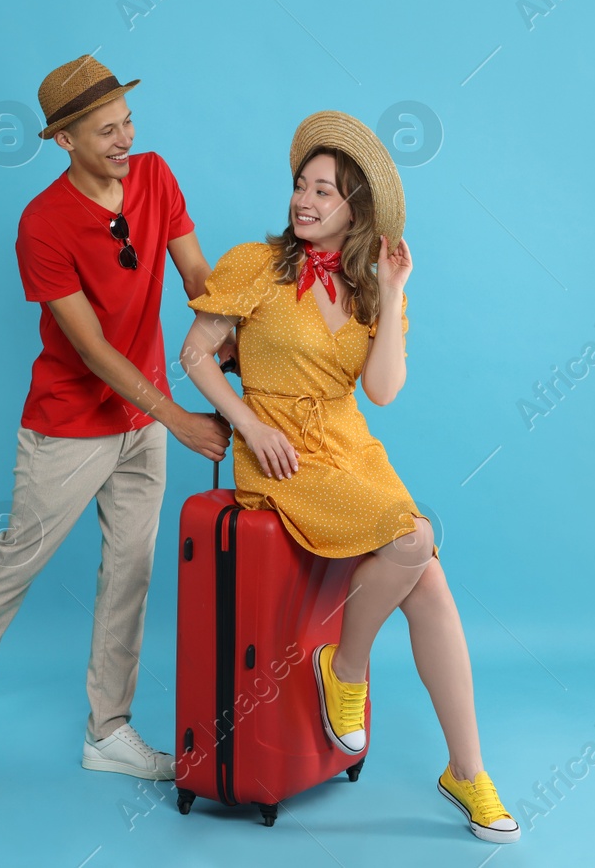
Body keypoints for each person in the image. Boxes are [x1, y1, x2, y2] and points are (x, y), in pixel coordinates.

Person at [177, 111, 519, 843]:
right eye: (301, 185)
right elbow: (197, 354)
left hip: (348, 448)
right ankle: (349, 668)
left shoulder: (367, 290)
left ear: (354, 209)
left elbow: (385, 390)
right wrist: (250, 423)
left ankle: (467, 768)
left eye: (324, 191)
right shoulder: (254, 265)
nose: (305, 200)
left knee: (427, 578)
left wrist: (393, 294)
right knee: (415, 537)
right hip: (281, 456)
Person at [0, 56, 231, 780]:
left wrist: (235, 332)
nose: (124, 138)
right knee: (16, 563)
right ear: (64, 139)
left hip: (142, 420)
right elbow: (90, 348)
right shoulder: (42, 224)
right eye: (105, 131)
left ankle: (108, 731)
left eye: (127, 122)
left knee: (130, 571)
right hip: (69, 424)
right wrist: (182, 420)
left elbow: (196, 278)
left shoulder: (156, 175)